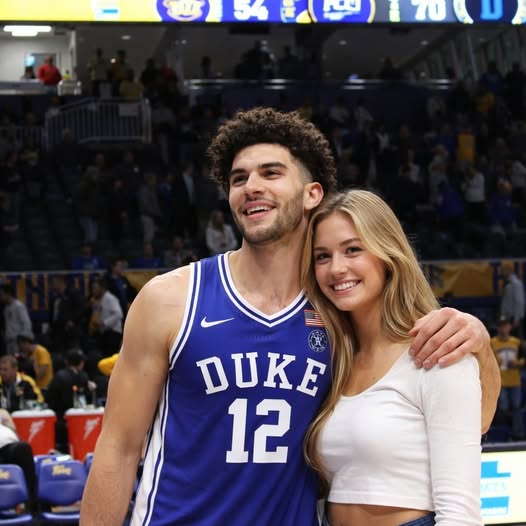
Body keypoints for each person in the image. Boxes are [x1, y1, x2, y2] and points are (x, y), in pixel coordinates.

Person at [80, 108, 499, 526]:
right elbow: (117, 448)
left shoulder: (338, 312)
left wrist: (479, 345)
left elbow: (470, 420)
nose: (251, 187)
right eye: (239, 179)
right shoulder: (170, 299)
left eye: (271, 173)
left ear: (312, 193)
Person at [302, 189, 483, 526]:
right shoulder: (333, 361)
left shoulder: (439, 349)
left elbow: (460, 513)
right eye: (322, 256)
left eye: (352, 249)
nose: (336, 268)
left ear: (387, 254)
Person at [491, 315, 525, 440]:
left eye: (505, 325)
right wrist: (496, 362)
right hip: (500, 380)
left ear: (510, 327)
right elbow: (488, 361)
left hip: (515, 380)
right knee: (503, 407)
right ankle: (503, 434)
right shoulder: (492, 342)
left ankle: (518, 434)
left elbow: (523, 359)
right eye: (501, 326)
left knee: (516, 407)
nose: (503, 328)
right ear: (497, 327)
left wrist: (517, 363)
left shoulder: (517, 342)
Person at [0, 409, 38, 511]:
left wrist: (6, 420)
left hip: (9, 446)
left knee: (24, 448)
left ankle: (32, 508)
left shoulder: (2, 412)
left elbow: (13, 429)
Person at [500, 264, 525, 339]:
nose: (501, 273)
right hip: (508, 317)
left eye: (503, 271)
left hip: (513, 317)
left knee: (516, 339)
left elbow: (519, 302)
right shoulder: (508, 283)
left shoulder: (516, 284)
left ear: (508, 271)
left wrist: (517, 318)